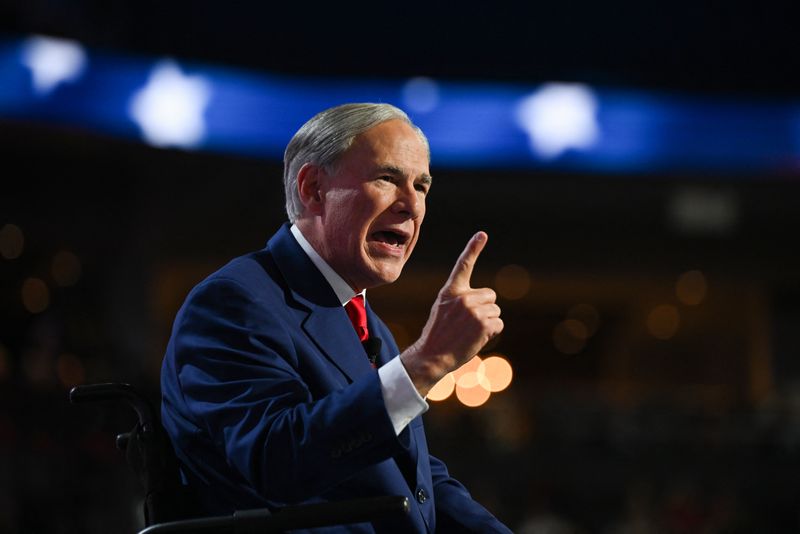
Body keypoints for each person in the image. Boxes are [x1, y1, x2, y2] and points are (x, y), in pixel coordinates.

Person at [160, 102, 511, 532]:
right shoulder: (232, 303)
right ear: (312, 189)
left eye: (421, 187)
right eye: (387, 178)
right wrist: (426, 362)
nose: (412, 206)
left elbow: (413, 479)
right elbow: (275, 461)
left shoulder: (364, 320)